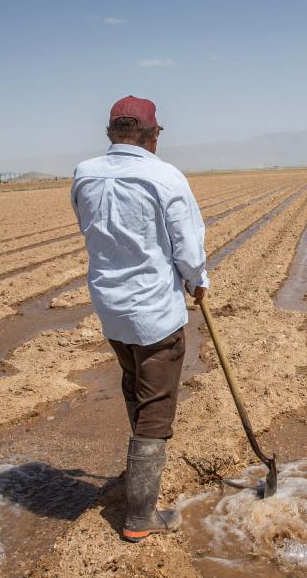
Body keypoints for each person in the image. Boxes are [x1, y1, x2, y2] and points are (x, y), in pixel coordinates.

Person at [71, 95, 209, 542]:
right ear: (151, 135)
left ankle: (138, 475)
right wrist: (198, 281)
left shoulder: (84, 173)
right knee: (156, 404)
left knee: (133, 383)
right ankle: (140, 517)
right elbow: (186, 245)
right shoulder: (163, 175)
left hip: (110, 308)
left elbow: (90, 230)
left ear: (113, 133)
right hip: (153, 310)